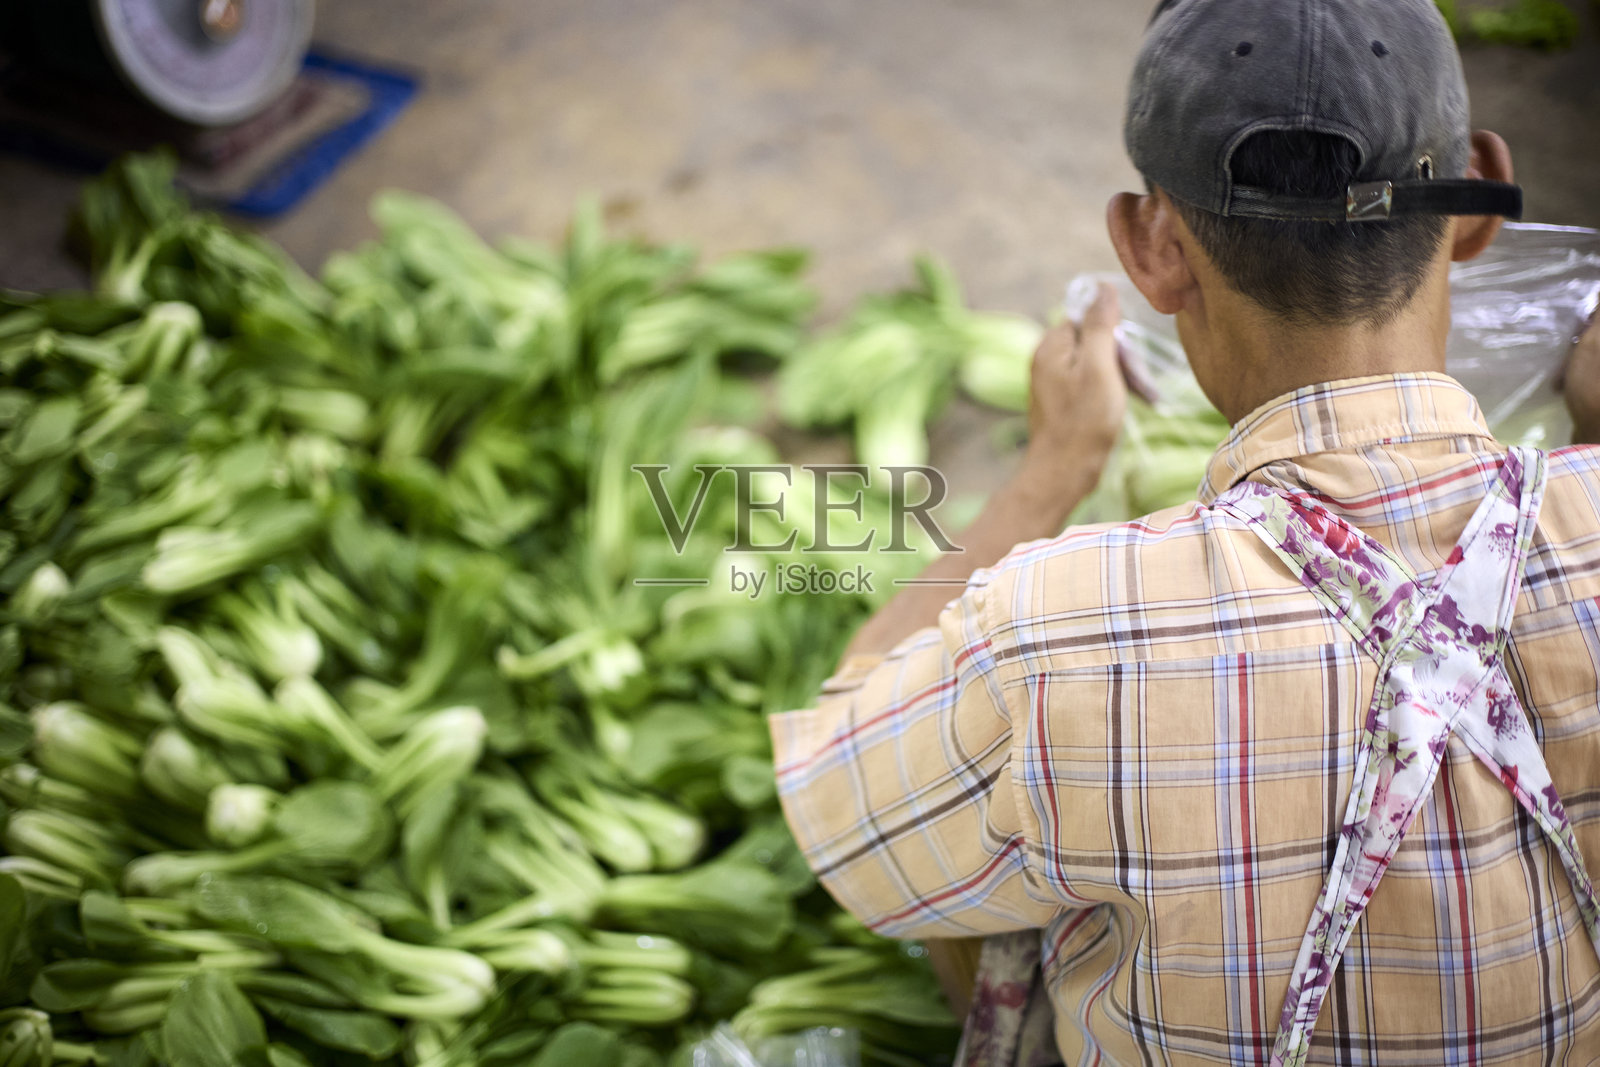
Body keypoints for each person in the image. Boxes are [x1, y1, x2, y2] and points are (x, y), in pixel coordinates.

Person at [768, 0, 1600, 1062]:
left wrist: (1046, 475)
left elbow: (841, 800)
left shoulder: (1057, 633)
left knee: (986, 843)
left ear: (1151, 249)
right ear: (1479, 205)